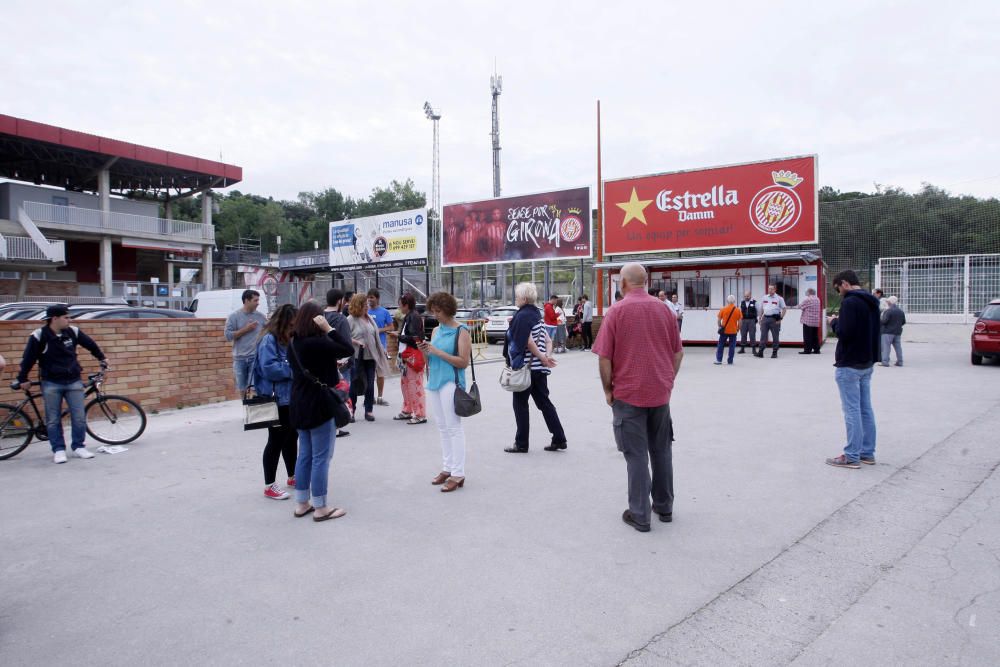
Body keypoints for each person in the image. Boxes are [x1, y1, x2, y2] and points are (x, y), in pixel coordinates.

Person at [593, 264, 683, 532]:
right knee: (662, 450)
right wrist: (668, 381)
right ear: (646, 281)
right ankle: (664, 507)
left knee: (635, 456)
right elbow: (677, 353)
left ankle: (640, 513)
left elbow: (605, 357)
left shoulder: (617, 311)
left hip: (628, 394)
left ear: (623, 283)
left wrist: (608, 390)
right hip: (659, 394)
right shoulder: (663, 309)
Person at [13, 304, 110, 463]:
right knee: (53, 419)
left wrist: (101, 357)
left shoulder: (73, 332)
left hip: (73, 380)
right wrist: (22, 378)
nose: (69, 320)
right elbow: (28, 359)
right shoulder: (39, 335)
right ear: (54, 318)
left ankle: (79, 446)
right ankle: (58, 450)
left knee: (79, 417)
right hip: (51, 382)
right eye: (66, 317)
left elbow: (90, 344)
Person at [288, 301, 354, 521]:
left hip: (299, 402)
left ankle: (301, 503)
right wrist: (330, 329)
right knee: (320, 458)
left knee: (305, 454)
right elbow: (348, 349)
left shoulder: (294, 342)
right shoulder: (320, 342)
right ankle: (321, 507)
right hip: (320, 403)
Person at [503, 282, 567, 454]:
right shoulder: (536, 315)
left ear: (524, 298)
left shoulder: (522, 317)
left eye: (517, 296)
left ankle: (521, 443)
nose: (515, 299)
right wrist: (546, 356)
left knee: (520, 404)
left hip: (526, 368)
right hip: (539, 370)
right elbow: (547, 340)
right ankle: (559, 438)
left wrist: (544, 359)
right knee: (545, 403)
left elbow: (528, 342)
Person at [825, 270, 880, 469]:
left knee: (852, 411)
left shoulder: (849, 302)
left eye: (838, 288)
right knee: (865, 409)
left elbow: (844, 333)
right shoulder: (872, 302)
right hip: (866, 362)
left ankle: (851, 456)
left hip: (849, 364)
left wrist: (834, 322)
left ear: (845, 283)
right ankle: (867, 452)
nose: (839, 292)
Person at [417, 292, 471, 493]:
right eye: (433, 311)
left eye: (438, 311)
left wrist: (436, 351)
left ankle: (458, 472)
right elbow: (429, 361)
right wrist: (424, 350)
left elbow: (463, 362)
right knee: (442, 427)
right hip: (435, 381)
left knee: (453, 427)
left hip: (451, 382)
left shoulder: (462, 331)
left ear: (448, 310)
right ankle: (448, 467)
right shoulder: (436, 331)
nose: (435, 315)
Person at [254, 304, 298, 500]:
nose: (294, 327)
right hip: (274, 399)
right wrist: (294, 369)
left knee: (291, 437)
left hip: (288, 397)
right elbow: (269, 368)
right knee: (276, 441)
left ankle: (293, 475)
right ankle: (269, 485)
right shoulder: (268, 340)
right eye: (292, 324)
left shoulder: (285, 339)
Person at [347, 294, 390, 422]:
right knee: (354, 385)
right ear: (358, 305)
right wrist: (356, 342)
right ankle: (351, 411)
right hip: (357, 357)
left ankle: (369, 410)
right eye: (364, 304)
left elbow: (374, 336)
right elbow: (344, 336)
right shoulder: (350, 319)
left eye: (367, 304)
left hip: (371, 356)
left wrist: (381, 348)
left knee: (370, 384)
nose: (367, 306)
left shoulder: (370, 318)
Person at [388, 292, 427, 424]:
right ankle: (408, 409)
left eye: (400, 306)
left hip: (412, 355)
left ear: (406, 305)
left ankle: (420, 414)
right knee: (406, 385)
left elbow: (415, 338)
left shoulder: (414, 317)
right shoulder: (409, 316)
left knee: (415, 385)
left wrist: (398, 336)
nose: (399, 308)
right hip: (406, 355)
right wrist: (399, 335)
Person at [323, 289, 353, 438]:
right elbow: (347, 346)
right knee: (340, 394)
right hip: (339, 363)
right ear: (340, 301)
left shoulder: (320, 317)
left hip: (322, 363)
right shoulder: (341, 319)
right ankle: (338, 423)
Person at [225, 289, 267, 392]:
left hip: (255, 357)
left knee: (253, 388)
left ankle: (253, 407)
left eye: (258, 300)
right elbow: (228, 336)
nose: (258, 303)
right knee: (242, 389)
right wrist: (246, 329)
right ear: (247, 300)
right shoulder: (234, 316)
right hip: (239, 358)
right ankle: (246, 407)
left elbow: (268, 333)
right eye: (255, 300)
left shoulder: (261, 317)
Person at [367, 289, 395, 406]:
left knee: (380, 373)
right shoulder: (365, 311)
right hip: (367, 347)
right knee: (369, 374)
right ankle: (370, 398)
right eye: (368, 297)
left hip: (380, 346)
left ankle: (380, 397)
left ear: (377, 299)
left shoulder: (384, 312)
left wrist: (378, 330)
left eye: (372, 297)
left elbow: (391, 327)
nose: (369, 299)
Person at [755, 284, 787, 358]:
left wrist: (780, 318)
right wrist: (760, 318)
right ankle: (761, 352)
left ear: (775, 289)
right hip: (765, 318)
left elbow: (784, 309)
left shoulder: (779, 298)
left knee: (775, 336)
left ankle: (774, 352)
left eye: (772, 289)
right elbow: (762, 308)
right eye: (769, 289)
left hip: (774, 319)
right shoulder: (764, 297)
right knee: (763, 336)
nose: (770, 290)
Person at [714, 295, 742, 365]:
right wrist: (738, 328)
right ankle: (730, 361)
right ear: (734, 301)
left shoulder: (723, 309)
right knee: (732, 346)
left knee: (721, 345)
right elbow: (740, 321)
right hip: (733, 331)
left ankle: (719, 360)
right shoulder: (738, 310)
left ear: (727, 301)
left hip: (724, 331)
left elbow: (719, 320)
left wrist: (720, 326)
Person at [880, 296, 906, 367]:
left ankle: (885, 362)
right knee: (898, 347)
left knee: (886, 347)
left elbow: (884, 321)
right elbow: (903, 322)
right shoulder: (901, 311)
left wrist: (879, 321)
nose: (887, 302)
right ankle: (900, 362)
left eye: (888, 301)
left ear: (890, 302)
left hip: (887, 332)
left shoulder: (888, 311)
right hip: (897, 332)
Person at [798, 287, 823, 354]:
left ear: (809, 292)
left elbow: (800, 306)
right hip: (816, 321)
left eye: (807, 291)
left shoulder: (808, 299)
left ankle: (807, 350)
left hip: (808, 321)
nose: (806, 293)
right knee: (815, 336)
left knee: (807, 336)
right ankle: (817, 349)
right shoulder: (817, 299)